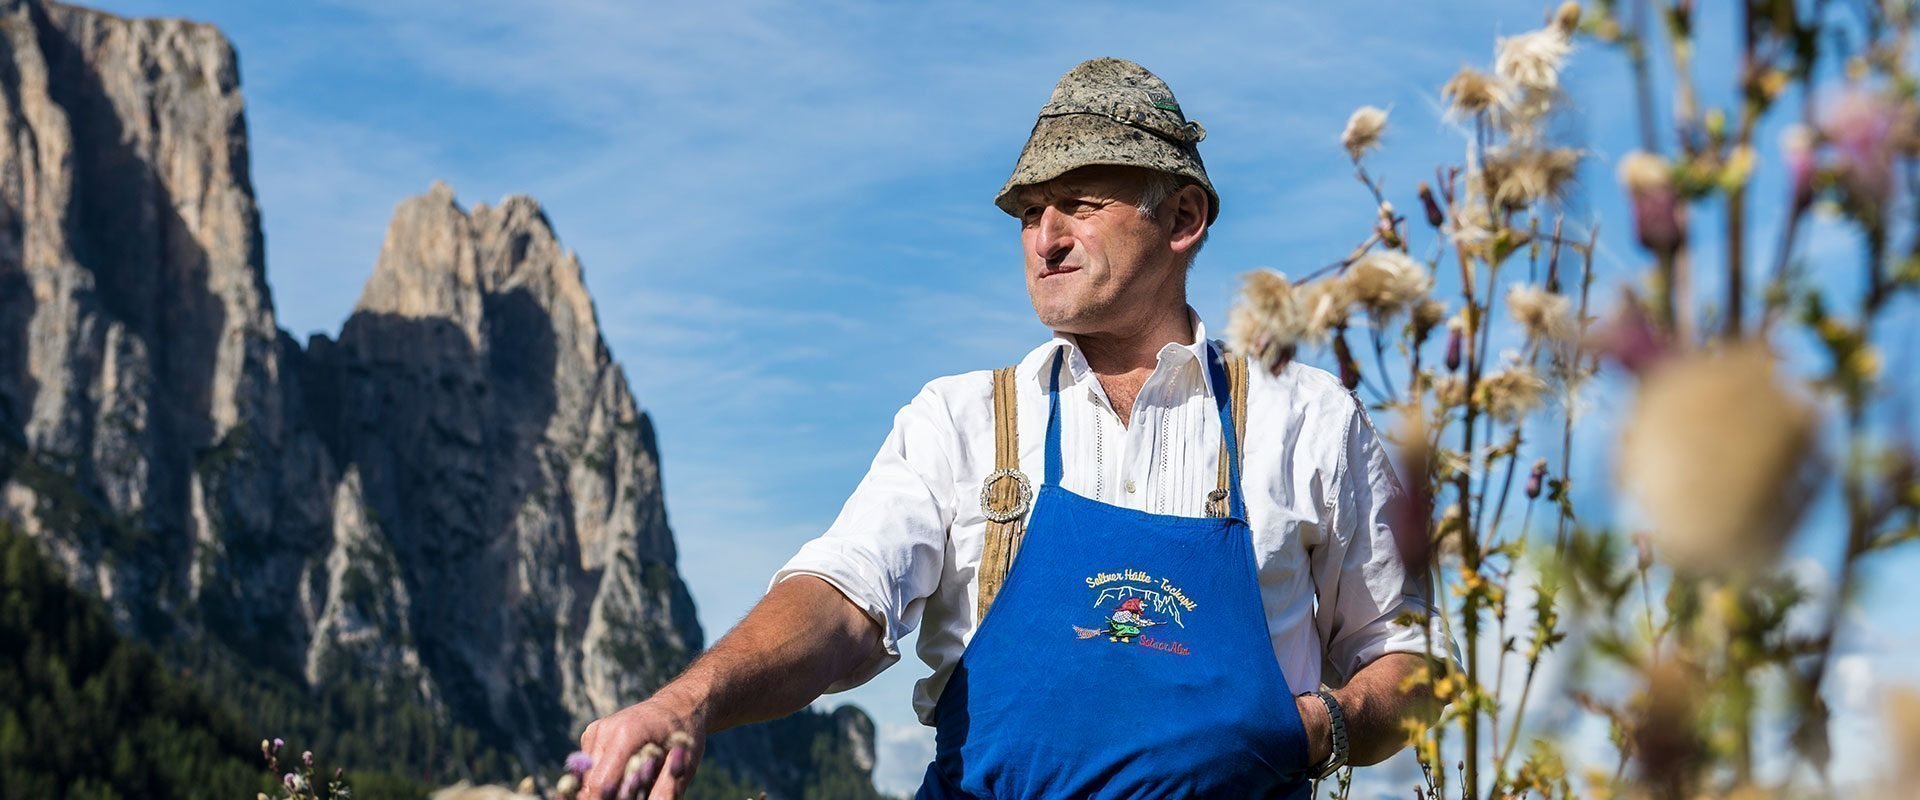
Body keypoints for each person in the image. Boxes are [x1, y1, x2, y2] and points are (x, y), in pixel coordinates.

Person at [575, 57, 1451, 800]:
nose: (1046, 237)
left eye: (1080, 202)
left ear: (1183, 219)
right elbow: (840, 602)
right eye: (1031, 211)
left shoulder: (1307, 423)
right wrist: (687, 701)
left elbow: (1409, 662)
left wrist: (1319, 726)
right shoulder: (961, 424)